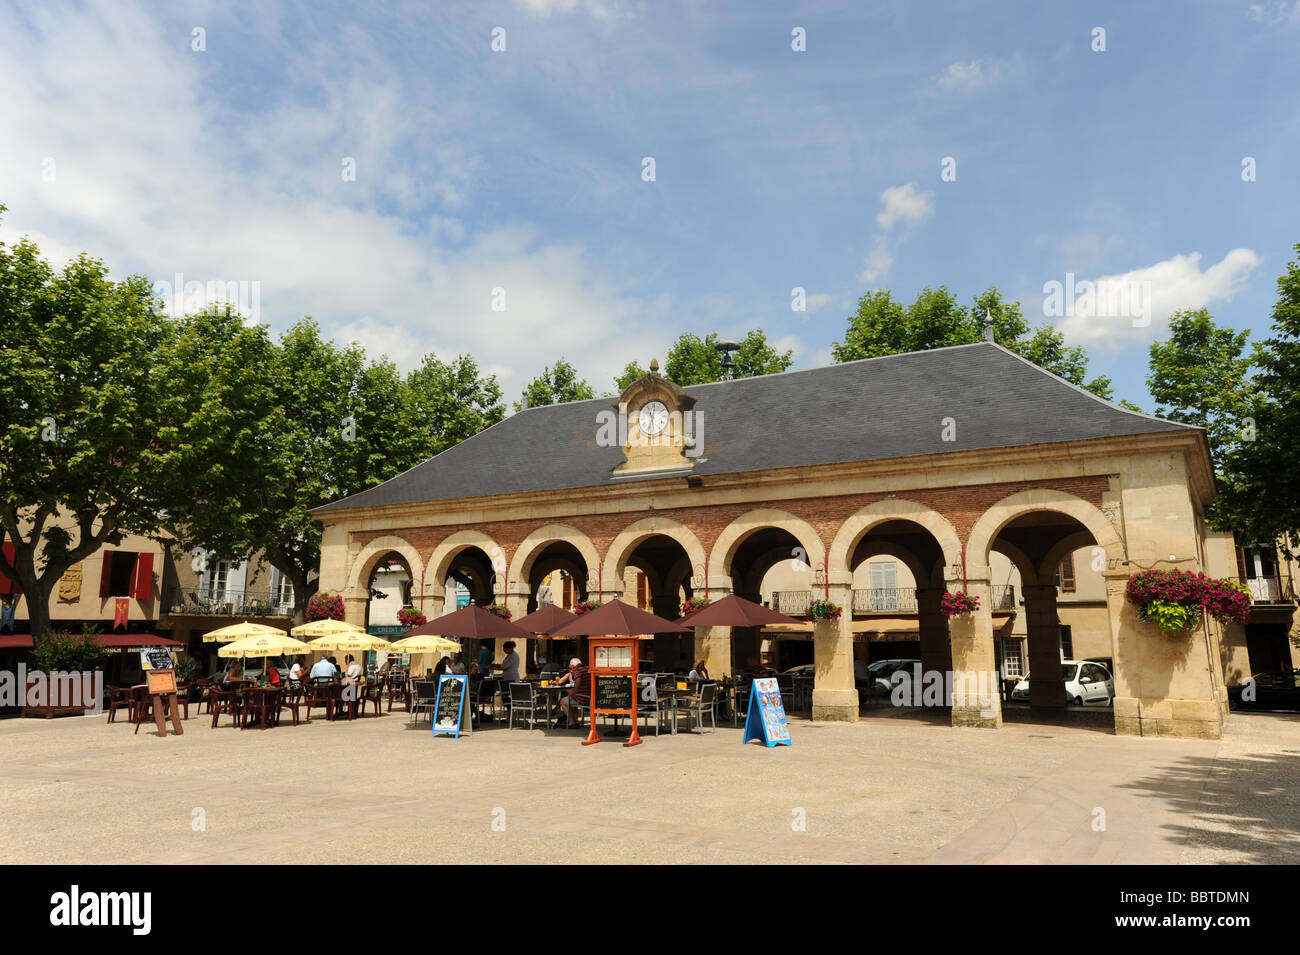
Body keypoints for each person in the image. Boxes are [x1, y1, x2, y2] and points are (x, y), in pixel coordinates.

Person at [555, 657, 587, 727]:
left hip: (583, 698)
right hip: (590, 697)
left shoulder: (578, 671)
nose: (571, 669)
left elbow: (578, 681)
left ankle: (572, 722)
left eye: (571, 668)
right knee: (571, 699)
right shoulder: (587, 669)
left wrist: (572, 691)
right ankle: (576, 721)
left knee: (563, 701)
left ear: (573, 666)